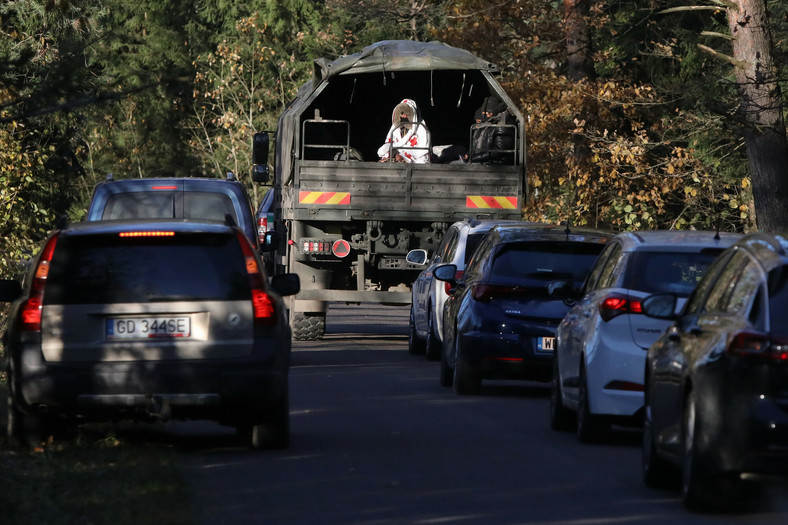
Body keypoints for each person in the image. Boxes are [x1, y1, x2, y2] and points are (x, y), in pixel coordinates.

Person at [378, 99, 431, 163]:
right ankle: (393, 159)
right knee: (383, 150)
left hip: (412, 153)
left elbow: (423, 149)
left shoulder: (421, 127)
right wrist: (395, 153)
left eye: (407, 114)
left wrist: (404, 156)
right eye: (402, 113)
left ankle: (402, 160)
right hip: (397, 151)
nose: (404, 116)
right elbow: (390, 142)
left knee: (422, 160)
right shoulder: (396, 126)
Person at [470, 96, 515, 165]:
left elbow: (499, 151)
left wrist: (474, 158)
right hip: (484, 161)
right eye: (485, 113)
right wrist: (470, 155)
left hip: (495, 164)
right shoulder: (489, 123)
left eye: (489, 112)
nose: (487, 115)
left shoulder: (503, 123)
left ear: (495, 111)